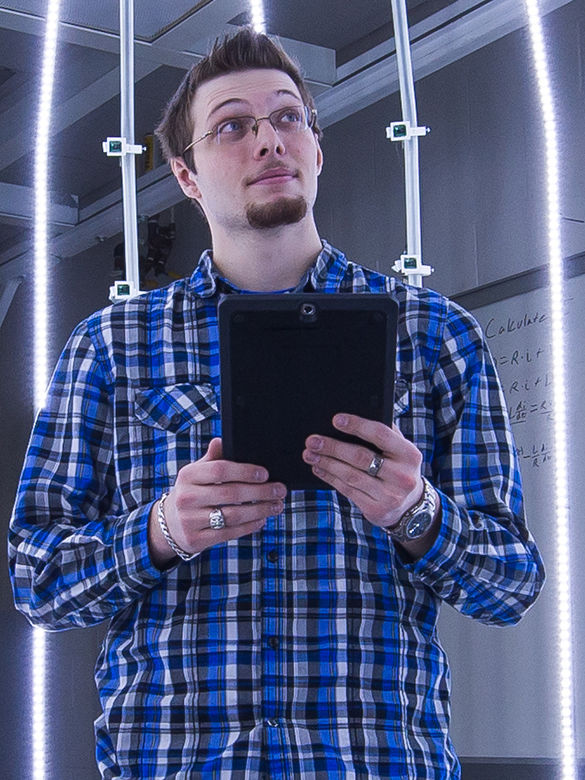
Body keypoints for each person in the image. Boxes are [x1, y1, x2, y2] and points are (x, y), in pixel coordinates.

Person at [9, 27, 544, 780]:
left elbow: (510, 584)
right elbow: (38, 580)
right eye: (232, 125)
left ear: (317, 153)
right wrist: (162, 527)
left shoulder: (437, 335)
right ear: (187, 176)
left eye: (288, 118)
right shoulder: (109, 345)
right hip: (176, 761)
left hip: (377, 761)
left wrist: (413, 511)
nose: (268, 140)